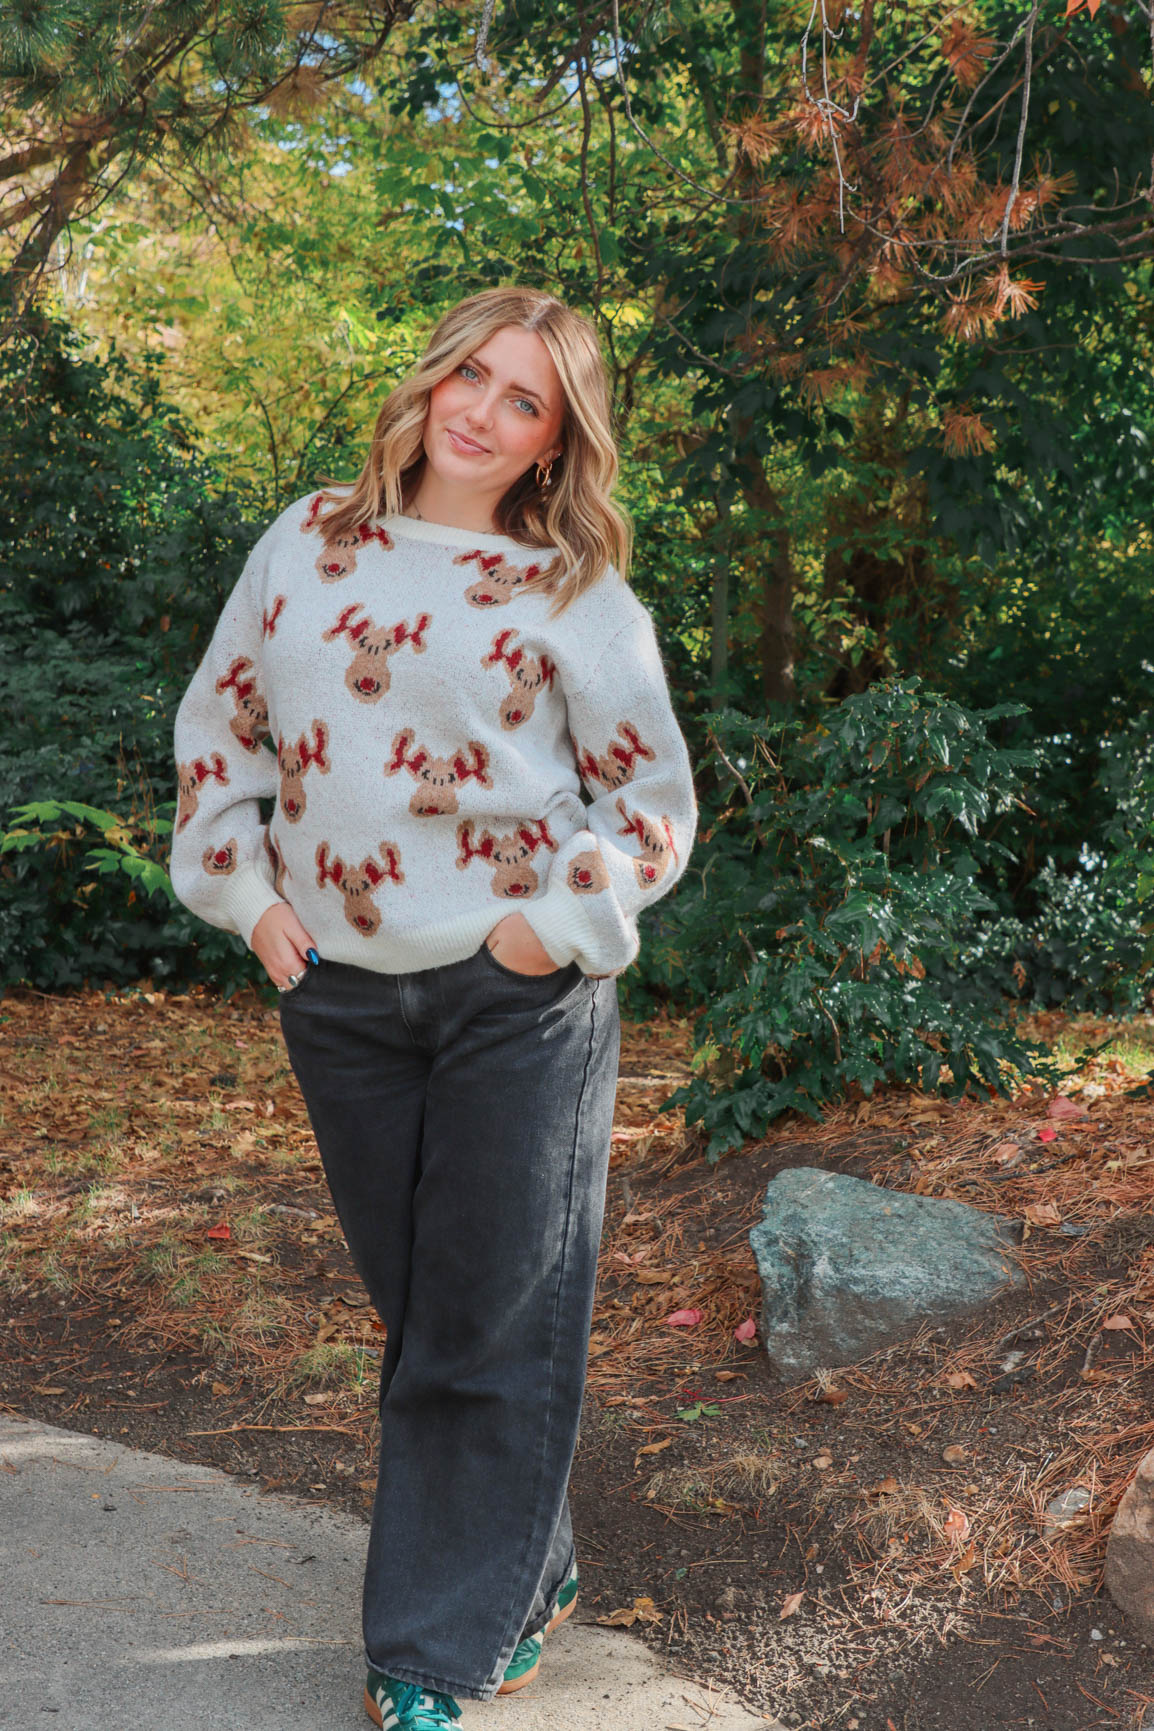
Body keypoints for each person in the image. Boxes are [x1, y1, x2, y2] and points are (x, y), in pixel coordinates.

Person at [170, 285, 697, 1730]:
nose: (480, 409)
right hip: (334, 989)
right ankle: (526, 1559)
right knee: (438, 1313)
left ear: (551, 443)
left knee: (483, 1318)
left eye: (522, 399)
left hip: (511, 999)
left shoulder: (571, 595)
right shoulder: (305, 539)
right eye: (470, 374)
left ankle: (429, 1656)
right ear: (428, 379)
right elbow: (222, 729)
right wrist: (252, 904)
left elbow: (648, 806)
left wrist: (548, 932)